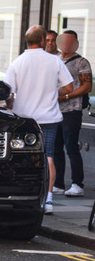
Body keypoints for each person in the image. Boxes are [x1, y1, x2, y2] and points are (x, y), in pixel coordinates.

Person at [4, 25, 73, 214]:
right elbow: (69, 87)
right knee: (48, 156)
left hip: (24, 119)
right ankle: (49, 199)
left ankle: (20, 195)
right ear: (42, 40)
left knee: (21, 157)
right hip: (49, 118)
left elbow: (8, 94)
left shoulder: (17, 63)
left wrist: (11, 103)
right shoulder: (55, 61)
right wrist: (52, 93)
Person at [53, 30, 92, 197]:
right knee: (55, 148)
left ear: (76, 42)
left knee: (71, 147)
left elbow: (87, 86)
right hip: (54, 111)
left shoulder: (81, 62)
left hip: (72, 110)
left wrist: (67, 96)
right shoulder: (53, 60)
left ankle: (77, 183)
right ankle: (58, 183)